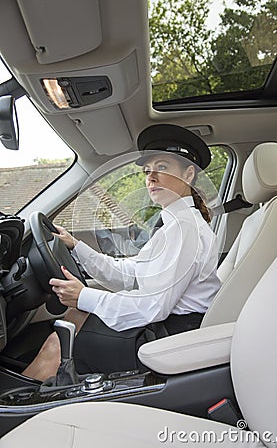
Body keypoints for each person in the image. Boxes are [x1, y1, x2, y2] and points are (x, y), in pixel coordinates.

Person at [23, 124, 221, 381]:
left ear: (189, 173)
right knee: (74, 317)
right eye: (148, 171)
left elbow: (154, 306)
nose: (151, 177)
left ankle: (12, 411)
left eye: (162, 167)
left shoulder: (184, 229)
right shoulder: (175, 225)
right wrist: (77, 247)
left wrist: (83, 295)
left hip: (169, 338)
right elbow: (132, 274)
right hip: (166, 326)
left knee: (58, 343)